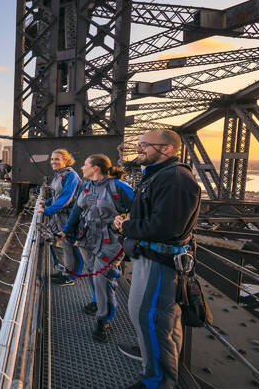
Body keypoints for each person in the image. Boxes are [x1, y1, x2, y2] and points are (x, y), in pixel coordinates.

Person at [114, 129, 201, 389]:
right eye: (139, 145)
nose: (139, 149)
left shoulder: (175, 179)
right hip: (153, 257)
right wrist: (128, 221)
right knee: (164, 319)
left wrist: (126, 227)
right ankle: (162, 368)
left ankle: (157, 382)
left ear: (168, 149)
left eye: (145, 145)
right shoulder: (160, 176)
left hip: (159, 262)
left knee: (148, 316)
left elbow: (166, 227)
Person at [57, 154, 134, 343]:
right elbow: (77, 210)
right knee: (92, 272)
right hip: (87, 239)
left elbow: (139, 211)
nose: (82, 168)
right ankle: (97, 301)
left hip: (111, 242)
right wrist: (66, 231)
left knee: (103, 279)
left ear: (96, 168)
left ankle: (103, 320)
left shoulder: (120, 188)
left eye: (85, 165)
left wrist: (127, 223)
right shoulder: (86, 186)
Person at [38, 149, 81, 286]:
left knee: (70, 246)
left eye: (57, 159)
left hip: (69, 215)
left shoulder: (71, 175)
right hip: (59, 215)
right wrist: (47, 202)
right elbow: (57, 194)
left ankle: (71, 277)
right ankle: (66, 271)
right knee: (61, 242)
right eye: (52, 159)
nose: (53, 162)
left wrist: (46, 211)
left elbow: (66, 198)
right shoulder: (59, 175)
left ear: (66, 161)